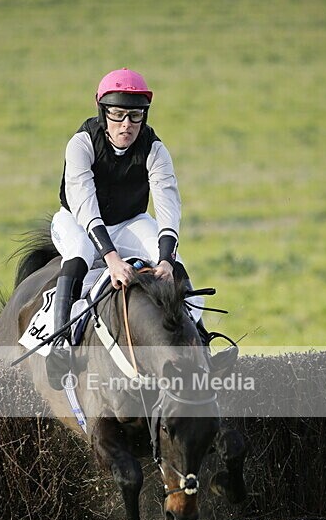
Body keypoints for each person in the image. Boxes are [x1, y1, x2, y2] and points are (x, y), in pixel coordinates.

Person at [46, 67, 236, 389]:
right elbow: (85, 206)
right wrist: (112, 260)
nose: (126, 125)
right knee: (79, 250)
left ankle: (202, 345)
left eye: (135, 117)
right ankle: (59, 345)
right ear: (103, 112)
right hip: (75, 220)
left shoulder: (155, 148)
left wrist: (164, 260)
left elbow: (168, 207)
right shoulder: (80, 144)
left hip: (130, 222)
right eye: (118, 115)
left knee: (178, 264)